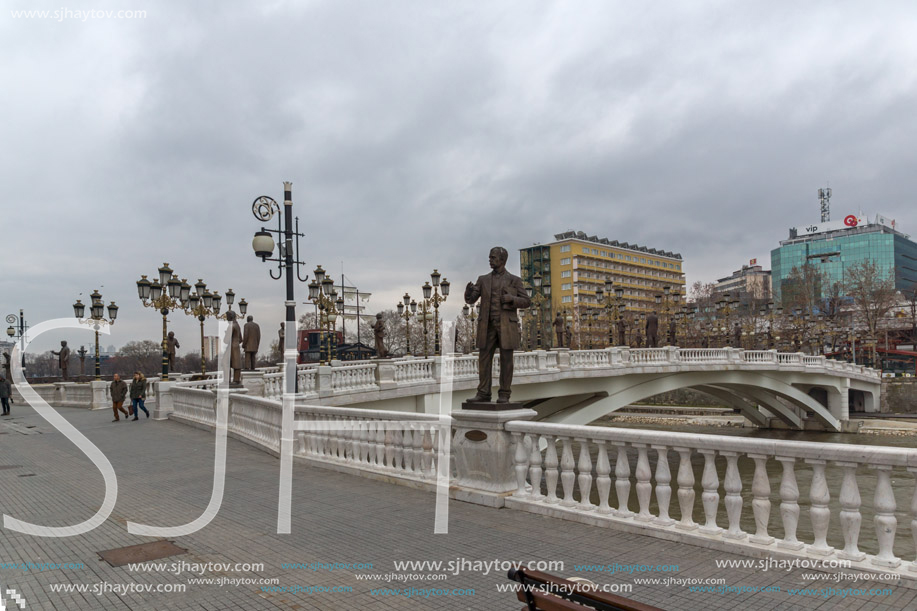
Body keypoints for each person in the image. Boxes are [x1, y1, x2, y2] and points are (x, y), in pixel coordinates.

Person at [464, 246, 531, 403]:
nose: (490, 260)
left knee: (506, 361)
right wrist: (468, 292)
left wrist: (512, 300)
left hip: (506, 326)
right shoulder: (483, 279)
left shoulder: (514, 280)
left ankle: (504, 394)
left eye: (493, 258)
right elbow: (471, 300)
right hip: (487, 326)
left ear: (502, 260)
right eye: (489, 257)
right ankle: (483, 393)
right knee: (484, 359)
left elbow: (527, 301)